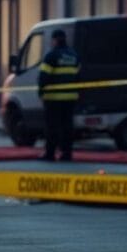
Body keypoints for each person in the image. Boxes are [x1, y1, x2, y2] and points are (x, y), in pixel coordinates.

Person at [38, 29, 81, 162]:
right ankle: (67, 154)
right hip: (70, 98)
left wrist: (41, 91)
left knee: (52, 127)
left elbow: (43, 77)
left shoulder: (51, 56)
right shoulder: (74, 56)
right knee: (67, 126)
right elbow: (79, 76)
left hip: (53, 99)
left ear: (54, 40)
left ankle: (50, 153)